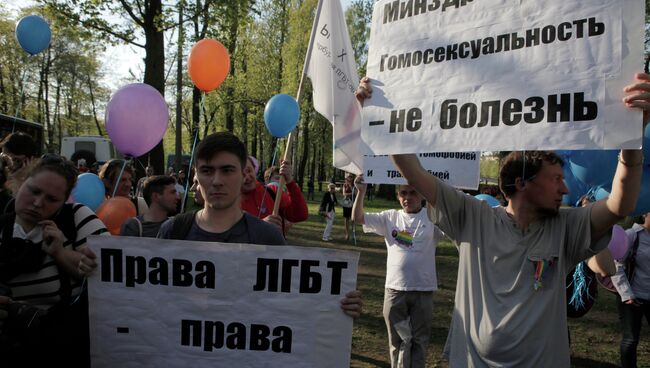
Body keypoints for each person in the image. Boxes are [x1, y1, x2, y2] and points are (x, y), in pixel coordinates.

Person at [356, 73, 650, 366]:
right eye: (555, 179)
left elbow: (618, 205)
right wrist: (380, 116)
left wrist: (630, 138)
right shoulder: (473, 217)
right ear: (522, 184)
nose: (564, 188)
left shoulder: (566, 226)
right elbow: (413, 171)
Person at [157, 132, 362, 317]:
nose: (217, 180)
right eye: (207, 170)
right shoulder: (172, 231)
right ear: (196, 175)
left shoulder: (268, 237)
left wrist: (335, 303)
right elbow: (150, 301)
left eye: (227, 170)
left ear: (244, 175)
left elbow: (289, 301)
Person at [0, 155, 106, 367]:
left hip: (63, 348)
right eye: (34, 191)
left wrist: (61, 254)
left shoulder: (76, 218)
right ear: (21, 183)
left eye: (51, 199)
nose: (38, 203)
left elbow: (110, 269)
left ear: (64, 201)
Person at [353, 175, 443, 368]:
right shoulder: (389, 217)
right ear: (397, 195)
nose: (407, 197)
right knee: (398, 342)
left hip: (423, 290)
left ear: (422, 196)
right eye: (403, 193)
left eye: (413, 193)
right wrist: (361, 192)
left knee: (419, 341)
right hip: (395, 291)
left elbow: (457, 228)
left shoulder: (433, 217)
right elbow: (358, 218)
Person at [611, 212, 650, 368]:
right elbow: (616, 266)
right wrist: (627, 294)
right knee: (631, 339)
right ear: (645, 214)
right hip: (633, 297)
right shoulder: (631, 235)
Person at [241, 156, 308, 234]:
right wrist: (260, 225)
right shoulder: (228, 200)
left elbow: (300, 214)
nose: (247, 177)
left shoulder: (272, 191)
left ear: (254, 169)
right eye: (242, 174)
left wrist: (289, 180)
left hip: (275, 245)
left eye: (249, 171)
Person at [342, 174, 354, 241]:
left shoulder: (354, 184)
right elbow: (344, 194)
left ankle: (353, 234)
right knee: (346, 219)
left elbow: (355, 192)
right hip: (346, 203)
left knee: (353, 218)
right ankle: (347, 234)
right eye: (349, 177)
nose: (350, 178)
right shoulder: (344, 185)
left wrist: (350, 186)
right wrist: (350, 194)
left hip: (352, 203)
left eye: (351, 177)